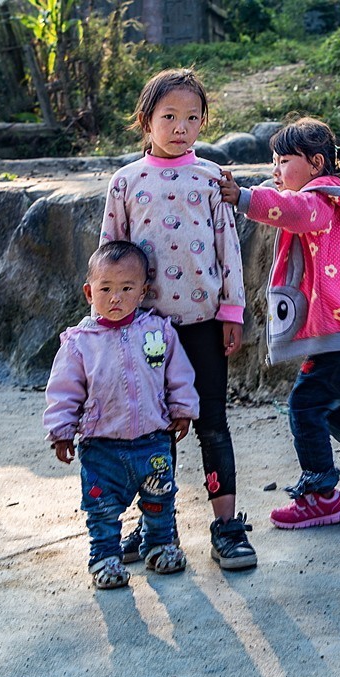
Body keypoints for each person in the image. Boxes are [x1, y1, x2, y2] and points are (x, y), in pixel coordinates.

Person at [217, 117, 340, 529]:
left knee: (305, 406)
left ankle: (321, 494)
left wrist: (241, 196)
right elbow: (283, 196)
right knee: (335, 409)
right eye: (274, 160)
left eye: (284, 160)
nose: (276, 169)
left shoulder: (321, 201)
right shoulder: (339, 200)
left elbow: (290, 208)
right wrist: (263, 188)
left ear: (316, 162)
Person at [100, 68, 257, 570]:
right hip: (146, 330)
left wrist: (232, 311)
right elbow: (111, 253)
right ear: (146, 121)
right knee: (153, 430)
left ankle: (227, 528)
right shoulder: (125, 182)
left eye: (192, 118)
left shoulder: (212, 179)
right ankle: (154, 525)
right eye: (169, 117)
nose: (181, 127)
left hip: (205, 324)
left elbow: (228, 249)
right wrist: (109, 317)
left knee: (212, 423)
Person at [44, 241, 199, 590]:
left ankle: (159, 545)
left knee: (159, 496)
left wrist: (183, 410)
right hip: (101, 446)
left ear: (143, 291)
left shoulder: (158, 332)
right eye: (106, 289)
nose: (116, 298)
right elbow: (63, 390)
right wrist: (61, 431)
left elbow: (179, 375)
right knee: (101, 508)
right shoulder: (79, 343)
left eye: (127, 289)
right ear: (89, 292)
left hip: (152, 440)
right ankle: (105, 558)